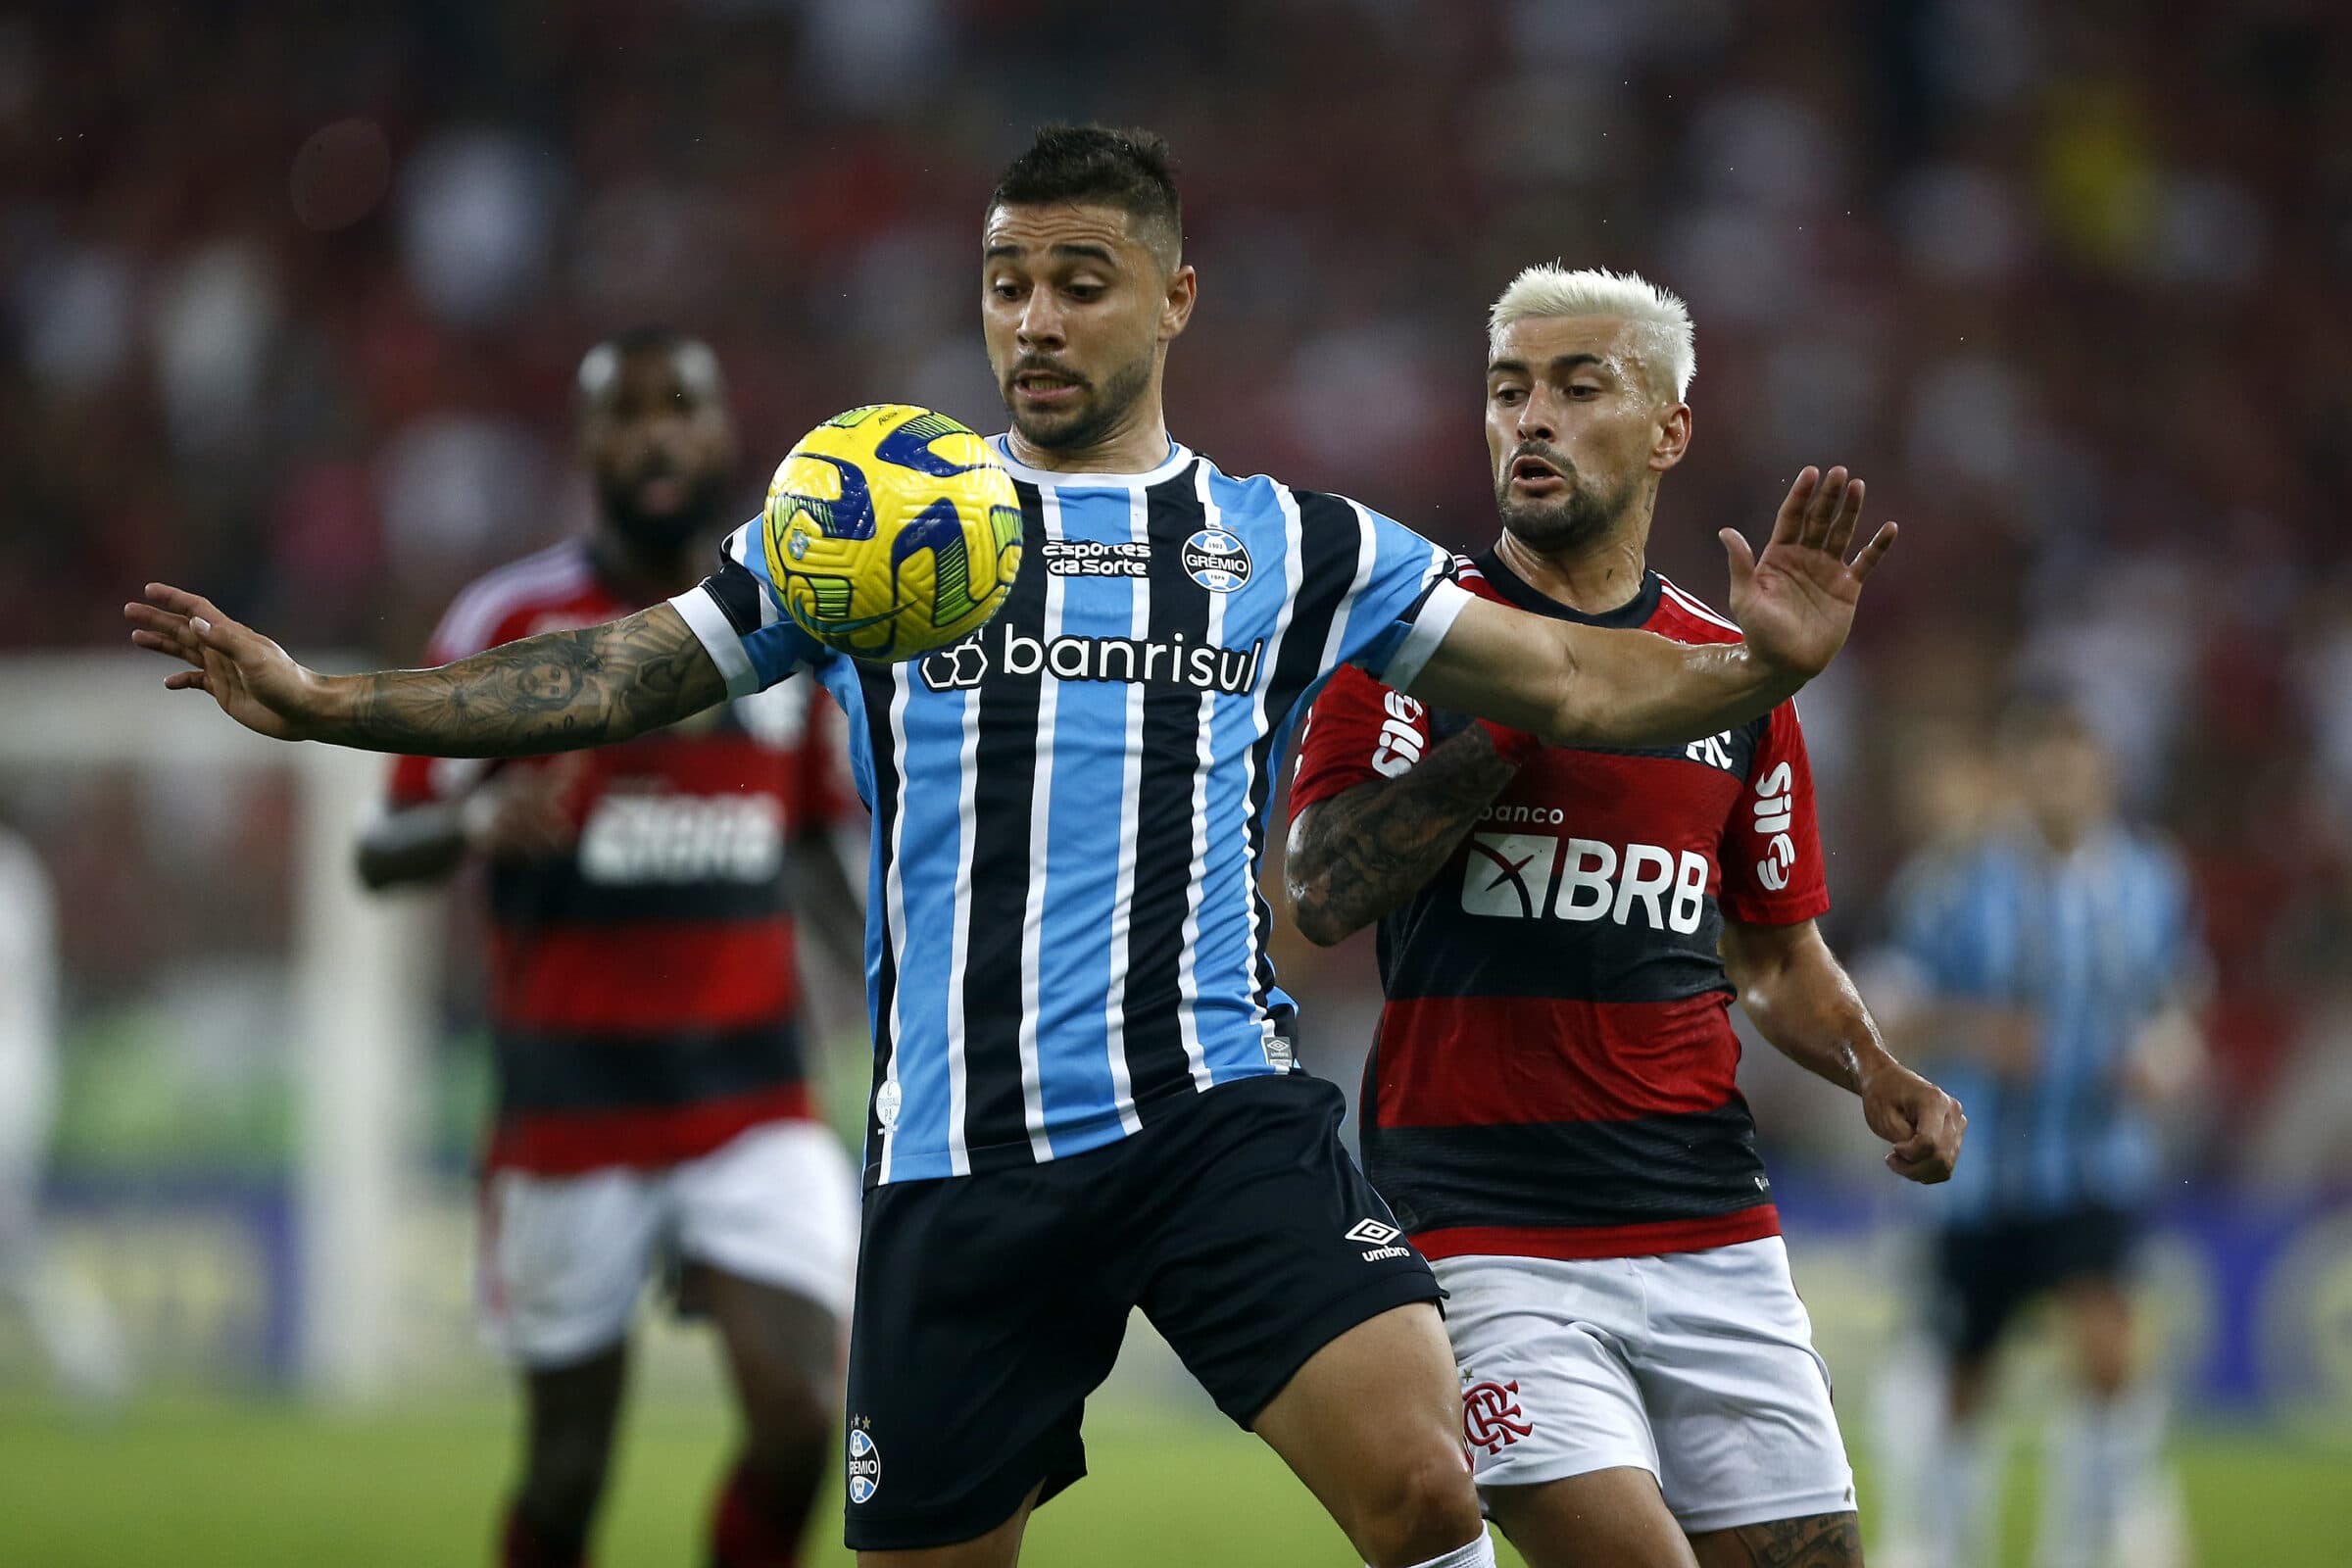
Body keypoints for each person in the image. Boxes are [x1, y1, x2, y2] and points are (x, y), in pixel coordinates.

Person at [124, 125, 1900, 1568]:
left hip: (1214, 1111)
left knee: (1430, 1486)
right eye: (1006, 285)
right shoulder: (882, 515)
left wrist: (1760, 667)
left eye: (1079, 282)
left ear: (1174, 300)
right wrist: (332, 703)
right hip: (964, 1155)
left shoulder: (1284, 539)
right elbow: (618, 670)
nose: (1035, 321)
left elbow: (1578, 684)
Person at [1283, 265, 1965, 1568]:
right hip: (1489, 1234)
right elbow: (1323, 892)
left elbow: (1771, 951)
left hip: (1713, 1222)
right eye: (1507, 390)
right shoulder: (1409, 653)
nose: (1529, 418)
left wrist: (1873, 1066)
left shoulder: (1729, 681)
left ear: (1668, 429)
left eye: (1576, 387)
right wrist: (1537, 704)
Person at [353, 328, 863, 1568]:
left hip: (751, 1104)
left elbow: (808, 846)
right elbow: (380, 852)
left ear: (722, 427)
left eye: (678, 408)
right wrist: (476, 821)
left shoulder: (789, 620)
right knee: (569, 1475)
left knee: (809, 1423)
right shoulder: (511, 617)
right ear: (585, 446)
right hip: (567, 1117)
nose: (654, 437)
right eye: (623, 414)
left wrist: (888, 984)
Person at [1884, 699, 2202, 1568]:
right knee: (1964, 1378)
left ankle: (2092, 1541)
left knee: (2106, 1352)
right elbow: (1892, 1001)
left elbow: (2176, 1005)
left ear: (2103, 773)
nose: (2063, 781)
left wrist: (2165, 1058)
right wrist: (1974, 1027)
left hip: (2096, 1162)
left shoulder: (2151, 879)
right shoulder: (1957, 881)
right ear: (2021, 775)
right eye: (2045, 763)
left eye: (2078, 762)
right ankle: (1946, 1543)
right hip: (1979, 1171)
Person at [0, 820, 131, 1405]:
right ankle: (89, 1351)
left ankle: (91, 1350)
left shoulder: (11, 872)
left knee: (10, 1235)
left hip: (10, 1075)